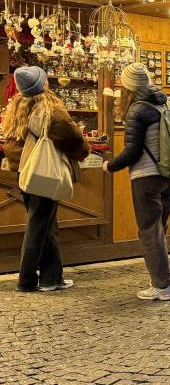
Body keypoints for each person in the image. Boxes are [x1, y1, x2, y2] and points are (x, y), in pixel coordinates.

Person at [2, 66, 89, 292]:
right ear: (44, 84)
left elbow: (10, 145)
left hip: (26, 173)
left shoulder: (16, 108)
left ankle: (52, 278)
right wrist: (82, 152)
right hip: (44, 172)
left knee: (47, 224)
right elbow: (71, 137)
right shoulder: (50, 109)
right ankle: (26, 279)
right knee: (38, 226)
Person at [103, 63, 170, 301]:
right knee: (159, 229)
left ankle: (162, 286)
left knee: (149, 232)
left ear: (128, 87)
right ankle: (159, 279)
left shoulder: (137, 110)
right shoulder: (162, 103)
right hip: (169, 175)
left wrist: (110, 165)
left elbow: (132, 152)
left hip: (146, 178)